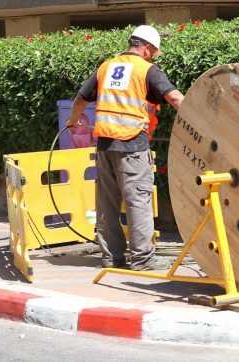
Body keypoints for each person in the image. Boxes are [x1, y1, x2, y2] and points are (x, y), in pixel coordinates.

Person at [66, 25, 184, 271]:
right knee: (138, 201)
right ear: (147, 49)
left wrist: (73, 121)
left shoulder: (106, 67)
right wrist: (198, 118)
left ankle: (112, 258)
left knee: (107, 204)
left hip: (105, 145)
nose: (153, 57)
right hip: (132, 145)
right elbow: (174, 98)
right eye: (154, 52)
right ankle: (143, 260)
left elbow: (81, 98)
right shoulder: (146, 69)